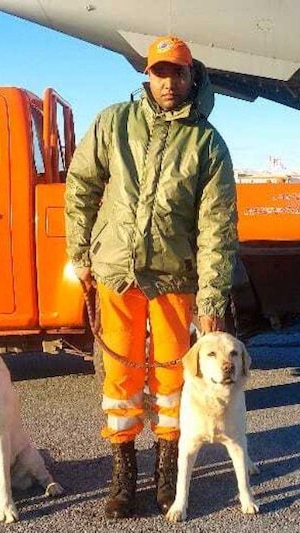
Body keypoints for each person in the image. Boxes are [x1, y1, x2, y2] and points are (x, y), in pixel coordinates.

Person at [64, 35, 238, 519]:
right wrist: (80, 251)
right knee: (118, 377)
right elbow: (81, 186)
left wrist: (211, 297)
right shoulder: (113, 123)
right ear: (147, 75)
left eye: (177, 73)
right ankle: (123, 475)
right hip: (116, 272)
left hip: (173, 277)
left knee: (170, 379)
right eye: (159, 72)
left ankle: (167, 471)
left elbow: (217, 226)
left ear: (191, 77)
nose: (168, 81)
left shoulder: (206, 142)